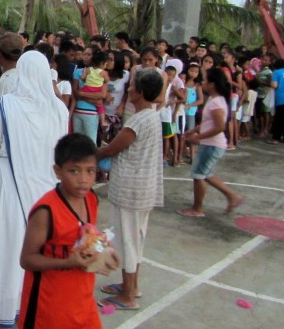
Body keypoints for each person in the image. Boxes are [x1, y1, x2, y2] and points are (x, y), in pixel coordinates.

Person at [0, 51, 69, 329]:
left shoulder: (8, 105)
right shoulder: (60, 109)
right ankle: (28, 310)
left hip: (6, 185)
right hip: (44, 189)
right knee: (32, 249)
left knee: (3, 249)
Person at [18, 134, 116, 329]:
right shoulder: (46, 211)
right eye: (74, 171)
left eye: (90, 171)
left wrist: (105, 252)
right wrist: (68, 261)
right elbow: (27, 259)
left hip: (84, 311)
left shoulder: (91, 199)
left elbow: (88, 236)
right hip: (49, 316)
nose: (84, 180)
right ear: (57, 171)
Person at [96, 68, 164, 310]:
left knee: (127, 240)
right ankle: (131, 286)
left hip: (131, 188)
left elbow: (112, 149)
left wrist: (89, 153)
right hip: (141, 187)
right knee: (136, 238)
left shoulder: (138, 119)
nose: (129, 88)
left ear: (142, 91)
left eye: (133, 85)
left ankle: (128, 297)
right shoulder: (152, 115)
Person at [178, 67, 244, 218]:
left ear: (213, 84)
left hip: (212, 144)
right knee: (205, 174)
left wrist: (198, 138)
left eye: (206, 80)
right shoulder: (215, 100)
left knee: (199, 174)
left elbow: (220, 127)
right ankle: (232, 196)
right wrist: (194, 130)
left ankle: (197, 208)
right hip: (210, 143)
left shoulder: (216, 102)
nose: (203, 82)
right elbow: (209, 122)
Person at [79, 50, 109, 130]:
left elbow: (82, 78)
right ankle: (102, 121)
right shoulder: (103, 72)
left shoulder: (88, 69)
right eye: (106, 64)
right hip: (97, 90)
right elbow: (107, 80)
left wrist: (85, 79)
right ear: (102, 63)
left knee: (79, 93)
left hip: (87, 88)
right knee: (100, 106)